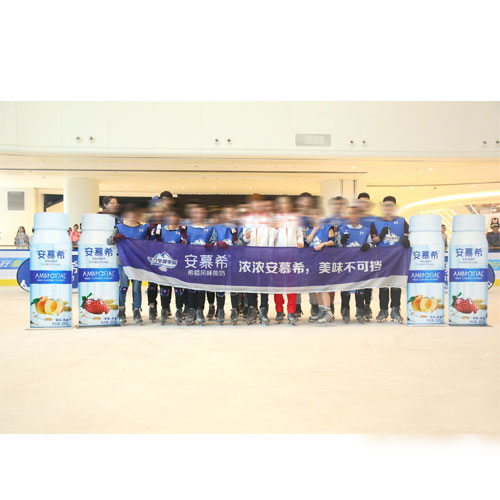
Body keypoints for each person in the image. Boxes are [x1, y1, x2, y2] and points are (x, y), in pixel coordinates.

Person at [370, 196, 410, 323]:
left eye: (391, 205)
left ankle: (395, 310)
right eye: (386, 205)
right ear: (382, 207)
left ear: (395, 207)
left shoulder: (402, 221)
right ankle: (383, 310)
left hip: (398, 258)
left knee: (396, 285)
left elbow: (409, 234)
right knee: (383, 285)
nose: (388, 208)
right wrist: (381, 236)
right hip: (382, 258)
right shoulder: (376, 222)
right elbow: (373, 240)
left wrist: (406, 239)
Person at [108, 204, 148, 325]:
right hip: (123, 261)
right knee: (124, 286)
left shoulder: (143, 228)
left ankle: (137, 310)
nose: (133, 216)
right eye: (130, 213)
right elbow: (109, 241)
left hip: (138, 262)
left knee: (136, 287)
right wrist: (115, 238)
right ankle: (121, 310)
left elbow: (150, 244)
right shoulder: (120, 227)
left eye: (135, 214)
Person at [240, 194, 275, 325]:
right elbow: (244, 238)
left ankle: (264, 310)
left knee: (264, 284)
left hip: (265, 255)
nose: (256, 205)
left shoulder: (268, 219)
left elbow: (272, 237)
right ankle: (252, 309)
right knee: (251, 284)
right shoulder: (247, 219)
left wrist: (270, 252)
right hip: (250, 256)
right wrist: (247, 237)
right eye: (253, 203)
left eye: (258, 203)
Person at [336, 205, 372, 323]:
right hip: (347, 264)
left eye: (355, 213)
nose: (353, 216)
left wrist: (368, 246)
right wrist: (341, 241)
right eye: (350, 213)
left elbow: (371, 244)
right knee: (345, 288)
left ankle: (360, 310)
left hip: (360, 263)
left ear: (359, 215)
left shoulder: (365, 230)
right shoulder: (342, 229)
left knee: (360, 288)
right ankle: (345, 310)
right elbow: (337, 246)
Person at [272, 196, 304, 325]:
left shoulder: (295, 218)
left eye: (285, 203)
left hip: (292, 255)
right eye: (281, 203)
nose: (283, 205)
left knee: (292, 285)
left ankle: (291, 311)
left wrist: (300, 242)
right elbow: (272, 237)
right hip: (278, 255)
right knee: (278, 286)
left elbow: (299, 234)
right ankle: (279, 311)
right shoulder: (275, 219)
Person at [185, 203, 217, 325]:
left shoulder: (210, 228)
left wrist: (212, 246)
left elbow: (214, 242)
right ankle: (191, 310)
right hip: (191, 262)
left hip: (204, 262)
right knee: (191, 288)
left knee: (201, 288)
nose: (198, 215)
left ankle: (200, 310)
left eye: (200, 212)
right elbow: (183, 244)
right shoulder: (187, 228)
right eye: (195, 213)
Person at [212, 205, 241, 325]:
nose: (229, 215)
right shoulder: (217, 228)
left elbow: (244, 244)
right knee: (220, 287)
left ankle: (234, 310)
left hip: (234, 262)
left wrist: (237, 241)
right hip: (221, 261)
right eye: (227, 213)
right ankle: (220, 310)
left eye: (232, 213)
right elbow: (211, 241)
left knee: (234, 288)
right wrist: (217, 243)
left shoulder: (239, 228)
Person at [306, 223, 336, 324]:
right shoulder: (310, 229)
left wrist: (324, 244)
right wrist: (314, 230)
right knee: (316, 288)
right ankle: (321, 310)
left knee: (323, 287)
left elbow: (333, 241)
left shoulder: (328, 228)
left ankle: (328, 312)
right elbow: (308, 241)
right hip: (313, 261)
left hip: (324, 260)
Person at [357, 192, 378, 319]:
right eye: (361, 202)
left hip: (370, 253)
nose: (363, 204)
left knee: (368, 282)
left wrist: (372, 242)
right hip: (354, 255)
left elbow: (376, 237)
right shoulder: (353, 217)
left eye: (366, 202)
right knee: (357, 282)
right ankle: (358, 307)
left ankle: (367, 305)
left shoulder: (374, 219)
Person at [145, 200, 167, 323]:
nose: (158, 213)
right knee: (152, 285)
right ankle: (152, 306)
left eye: (160, 211)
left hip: (166, 260)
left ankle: (165, 308)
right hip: (152, 260)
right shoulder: (148, 226)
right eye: (156, 211)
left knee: (165, 284)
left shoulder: (168, 225)